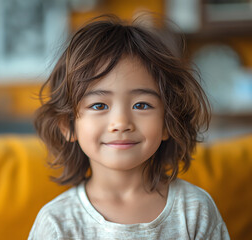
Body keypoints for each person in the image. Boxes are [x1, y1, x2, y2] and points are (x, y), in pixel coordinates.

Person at [28, 14, 230, 239]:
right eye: (99, 105)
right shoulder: (56, 223)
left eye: (141, 105)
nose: (121, 123)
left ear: (167, 122)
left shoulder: (195, 211)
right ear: (68, 125)